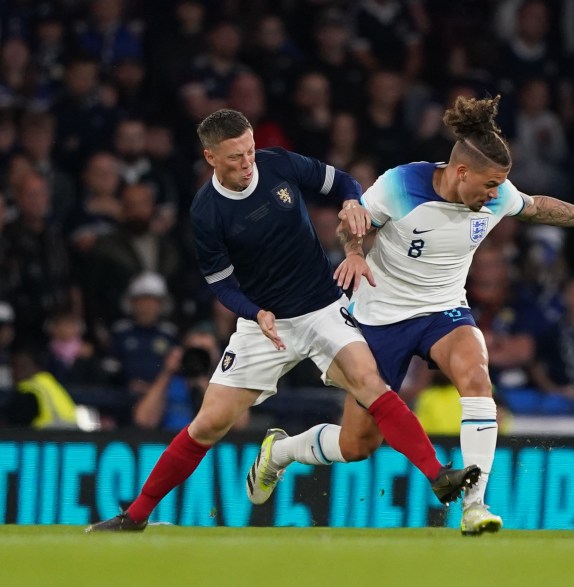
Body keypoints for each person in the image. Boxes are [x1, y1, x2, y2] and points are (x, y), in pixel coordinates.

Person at [256, 95, 574, 536]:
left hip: (443, 309)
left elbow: (537, 205)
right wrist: (354, 254)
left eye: (501, 184)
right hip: (379, 317)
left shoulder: (496, 195)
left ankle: (474, 504)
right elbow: (354, 221)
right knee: (357, 444)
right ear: (460, 172)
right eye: (489, 184)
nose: (497, 193)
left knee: (476, 375)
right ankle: (283, 451)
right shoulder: (400, 185)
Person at [86, 109, 479, 532]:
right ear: (210, 157)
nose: (247, 162)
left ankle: (438, 475)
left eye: (250, 150)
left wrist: (350, 201)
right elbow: (221, 284)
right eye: (235, 156)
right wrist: (255, 312)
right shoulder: (206, 212)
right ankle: (135, 516)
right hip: (265, 324)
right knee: (209, 422)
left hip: (324, 308)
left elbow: (343, 182)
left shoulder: (278, 163)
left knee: (370, 383)